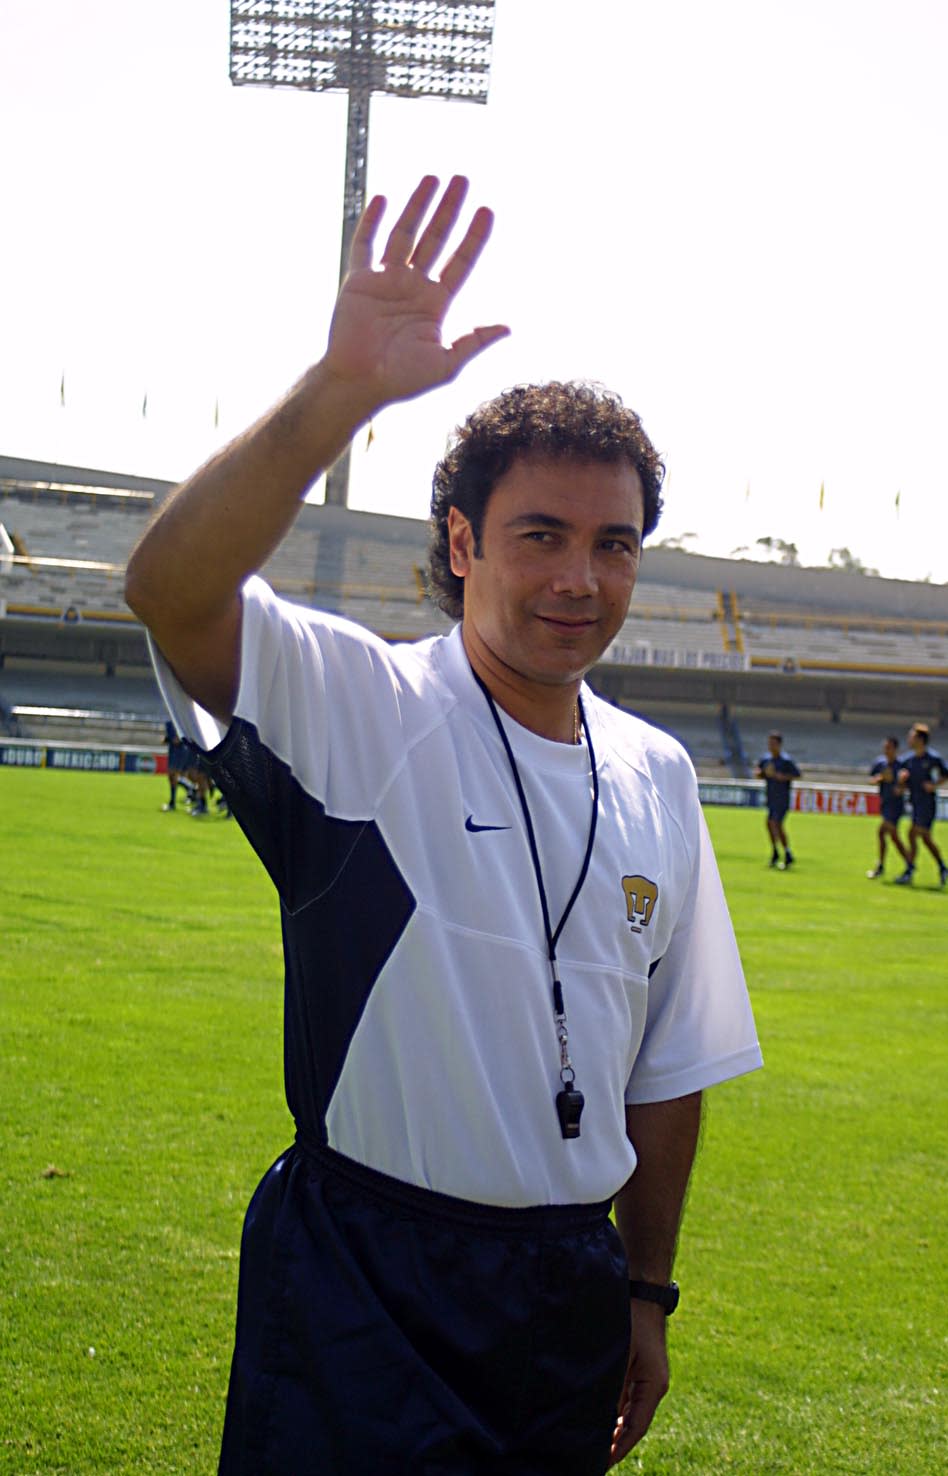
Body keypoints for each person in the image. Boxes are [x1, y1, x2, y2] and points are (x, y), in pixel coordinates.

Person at [125, 175, 763, 1476]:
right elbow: (169, 588)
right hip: (367, 1278)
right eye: (541, 535)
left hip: (571, 1291)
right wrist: (341, 391)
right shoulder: (361, 704)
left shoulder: (656, 774)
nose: (583, 578)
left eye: (616, 543)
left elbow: (668, 1068)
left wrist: (646, 1293)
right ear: (462, 542)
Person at [894, 722, 948, 886]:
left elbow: (945, 775)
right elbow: (902, 785)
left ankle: (909, 871)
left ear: (920, 739)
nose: (909, 739)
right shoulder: (908, 760)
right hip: (915, 803)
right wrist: (901, 782)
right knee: (925, 839)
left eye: (912, 736)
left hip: (927, 804)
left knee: (913, 834)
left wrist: (934, 785)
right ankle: (942, 868)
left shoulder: (933, 759)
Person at [866, 735, 910, 878]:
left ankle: (903, 864)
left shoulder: (902, 765)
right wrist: (880, 779)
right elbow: (871, 780)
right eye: (885, 747)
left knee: (885, 832)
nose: (886, 750)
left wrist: (900, 787)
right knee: (891, 836)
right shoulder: (880, 763)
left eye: (889, 748)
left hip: (895, 805)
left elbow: (907, 784)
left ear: (895, 749)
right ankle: (907, 864)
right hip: (884, 803)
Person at [756, 731, 800, 869]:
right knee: (770, 824)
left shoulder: (786, 761)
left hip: (782, 798)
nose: (771, 746)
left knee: (775, 823)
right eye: (769, 743)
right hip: (771, 797)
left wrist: (783, 777)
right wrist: (762, 774)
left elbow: (797, 775)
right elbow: (759, 773)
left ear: (779, 744)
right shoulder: (766, 759)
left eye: (773, 743)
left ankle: (786, 853)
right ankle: (776, 852)